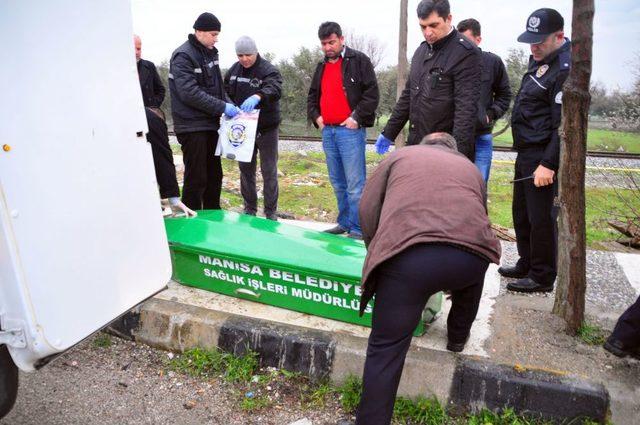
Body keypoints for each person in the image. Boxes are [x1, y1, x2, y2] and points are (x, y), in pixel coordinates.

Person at [356, 132, 501, 425]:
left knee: (386, 346)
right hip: (468, 258)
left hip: (409, 260)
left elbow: (367, 208)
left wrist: (377, 250)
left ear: (423, 145)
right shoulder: (470, 167)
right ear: (453, 149)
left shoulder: (399, 156)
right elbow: (478, 218)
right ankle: (458, 337)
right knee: (473, 273)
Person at [498, 8, 571, 293]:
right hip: (526, 152)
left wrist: (549, 164)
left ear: (559, 36)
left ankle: (542, 276)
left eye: (540, 40)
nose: (534, 46)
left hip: (543, 155)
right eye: (531, 40)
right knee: (522, 213)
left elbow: (562, 127)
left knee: (541, 218)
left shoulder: (564, 71)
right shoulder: (541, 61)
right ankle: (527, 262)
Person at [374, 0, 481, 161]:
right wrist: (389, 132)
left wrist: (457, 157)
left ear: (448, 19)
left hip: (444, 150)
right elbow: (408, 97)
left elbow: (465, 111)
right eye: (423, 27)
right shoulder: (421, 51)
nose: (428, 32)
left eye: (433, 25)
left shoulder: (465, 53)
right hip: (416, 143)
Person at [307, 21, 379, 239]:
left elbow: (371, 94)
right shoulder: (321, 66)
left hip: (350, 132)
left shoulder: (359, 60)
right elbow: (312, 96)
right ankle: (345, 222)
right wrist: (316, 117)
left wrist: (356, 118)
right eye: (324, 43)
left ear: (341, 39)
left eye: (332, 42)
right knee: (338, 182)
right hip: (328, 132)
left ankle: (358, 229)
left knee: (355, 184)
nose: (328, 47)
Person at [169, 12, 240, 211]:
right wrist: (222, 107)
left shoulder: (210, 53)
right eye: (213, 34)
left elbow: (217, 87)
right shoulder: (183, 56)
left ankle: (212, 217)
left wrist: (229, 104)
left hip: (209, 124)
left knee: (214, 175)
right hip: (191, 126)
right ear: (199, 32)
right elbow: (189, 93)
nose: (216, 39)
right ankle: (191, 221)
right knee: (197, 177)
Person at [134, 35, 195, 217]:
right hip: (129, 125)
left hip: (150, 118)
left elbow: (160, 90)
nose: (138, 52)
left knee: (161, 155)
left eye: (140, 48)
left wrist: (152, 108)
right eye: (134, 48)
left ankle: (170, 198)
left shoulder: (148, 66)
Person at [224, 36, 283, 221]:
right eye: (240, 55)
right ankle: (249, 207)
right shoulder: (234, 71)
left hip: (266, 128)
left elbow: (275, 88)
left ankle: (270, 211)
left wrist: (258, 96)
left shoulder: (268, 70)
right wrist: (228, 104)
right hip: (243, 129)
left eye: (248, 55)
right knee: (246, 169)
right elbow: (224, 90)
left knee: (269, 169)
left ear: (255, 52)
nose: (244, 59)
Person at [456, 18, 511, 183]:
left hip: (482, 138)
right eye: (459, 41)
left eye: (466, 40)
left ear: (478, 39)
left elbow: (505, 94)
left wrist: (491, 114)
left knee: (479, 187)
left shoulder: (493, 62)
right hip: (455, 138)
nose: (462, 45)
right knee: (455, 187)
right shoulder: (452, 64)